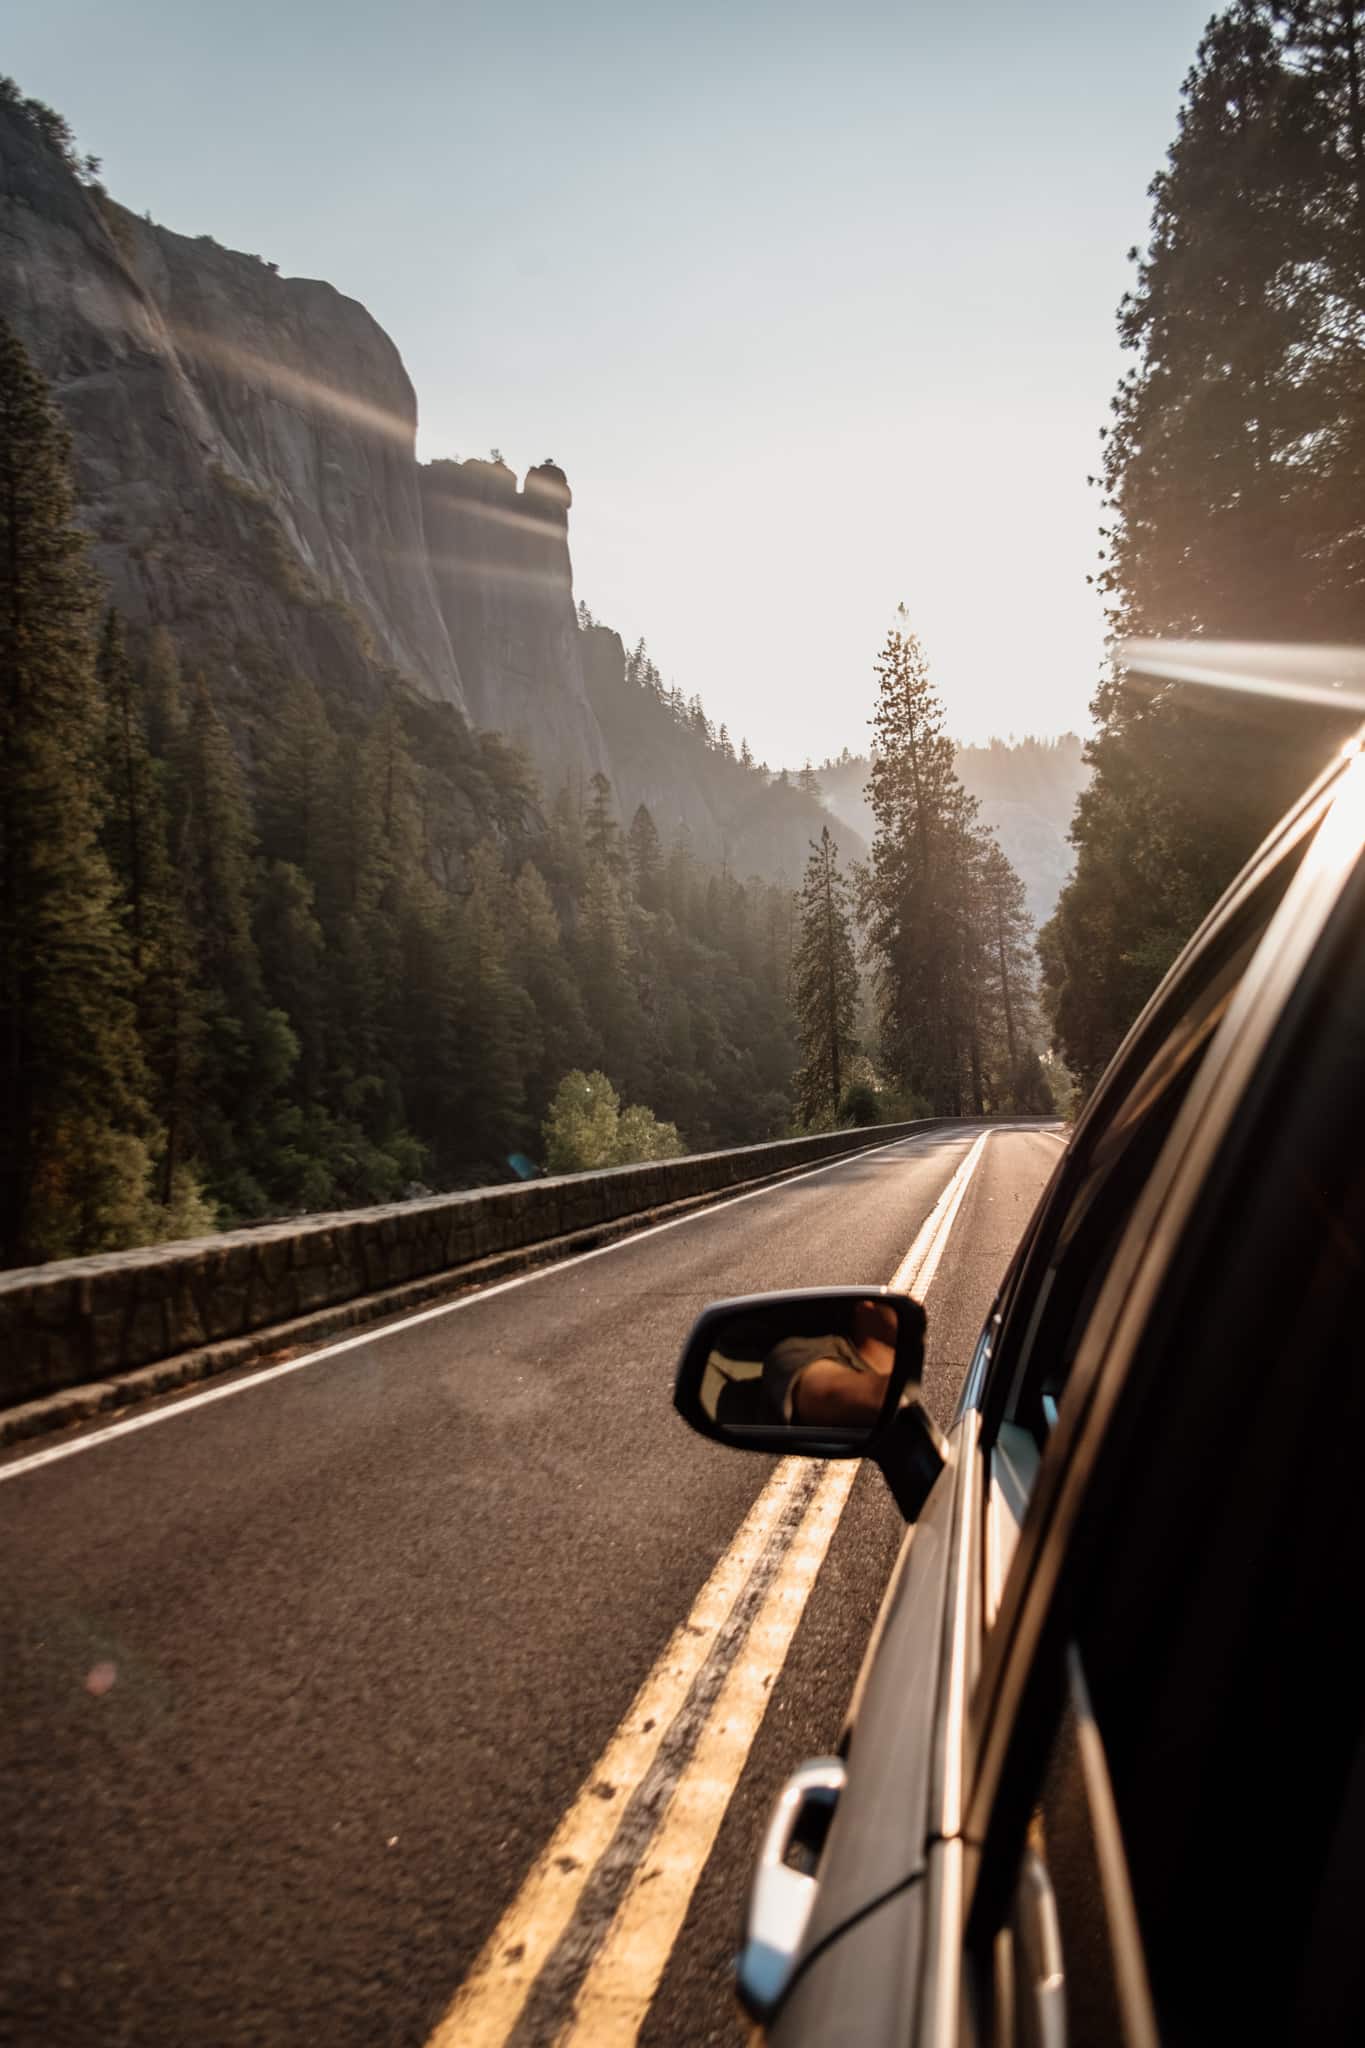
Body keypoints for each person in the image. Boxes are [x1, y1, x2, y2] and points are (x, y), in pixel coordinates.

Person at [762, 1298, 899, 1426]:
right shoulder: (793, 1352)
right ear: (867, 1301)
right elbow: (830, 1396)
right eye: (906, 1293)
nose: (919, 1300)